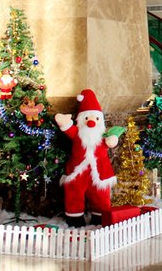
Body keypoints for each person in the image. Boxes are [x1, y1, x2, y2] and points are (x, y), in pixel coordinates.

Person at [54, 89, 119, 226]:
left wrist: (112, 140)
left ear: (100, 120)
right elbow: (68, 128)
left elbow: (111, 141)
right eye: (87, 118)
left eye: (96, 119)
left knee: (101, 195)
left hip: (100, 172)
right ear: (81, 120)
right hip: (78, 172)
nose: (91, 122)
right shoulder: (78, 133)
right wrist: (64, 123)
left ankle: (100, 216)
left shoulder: (103, 136)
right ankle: (75, 218)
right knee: (74, 194)